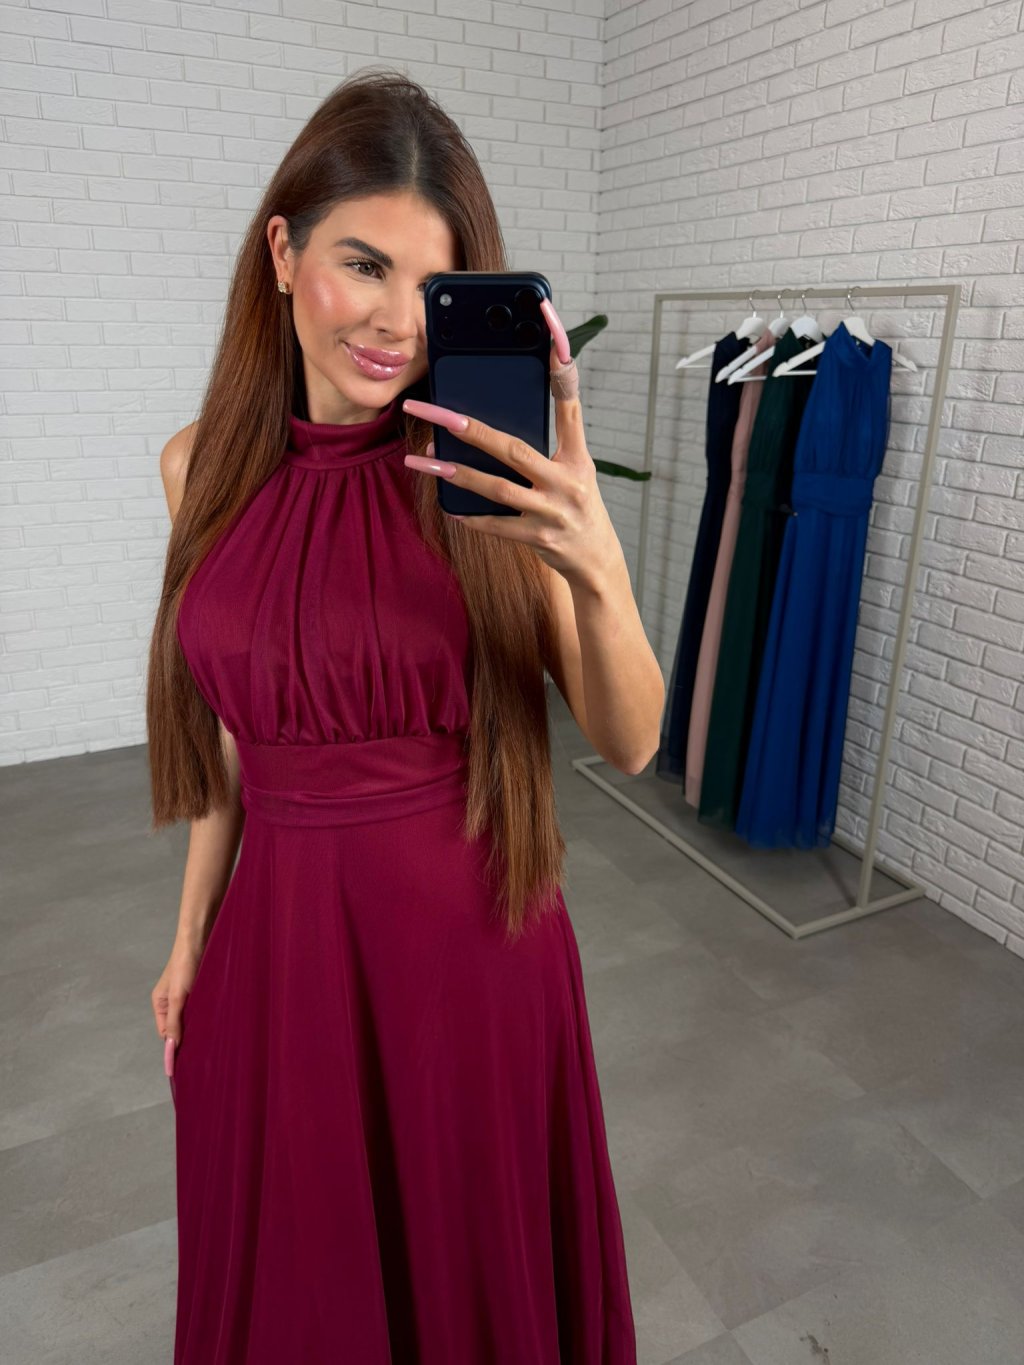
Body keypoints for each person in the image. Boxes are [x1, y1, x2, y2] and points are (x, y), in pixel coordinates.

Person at [146, 67, 662, 1364]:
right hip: (279, 959)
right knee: (302, 1287)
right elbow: (235, 740)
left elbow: (634, 739)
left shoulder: (486, 481)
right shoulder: (196, 469)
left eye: (430, 289)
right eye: (362, 265)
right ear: (283, 254)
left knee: (463, 1283)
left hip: (471, 963)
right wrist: (190, 934)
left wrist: (597, 566)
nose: (394, 324)